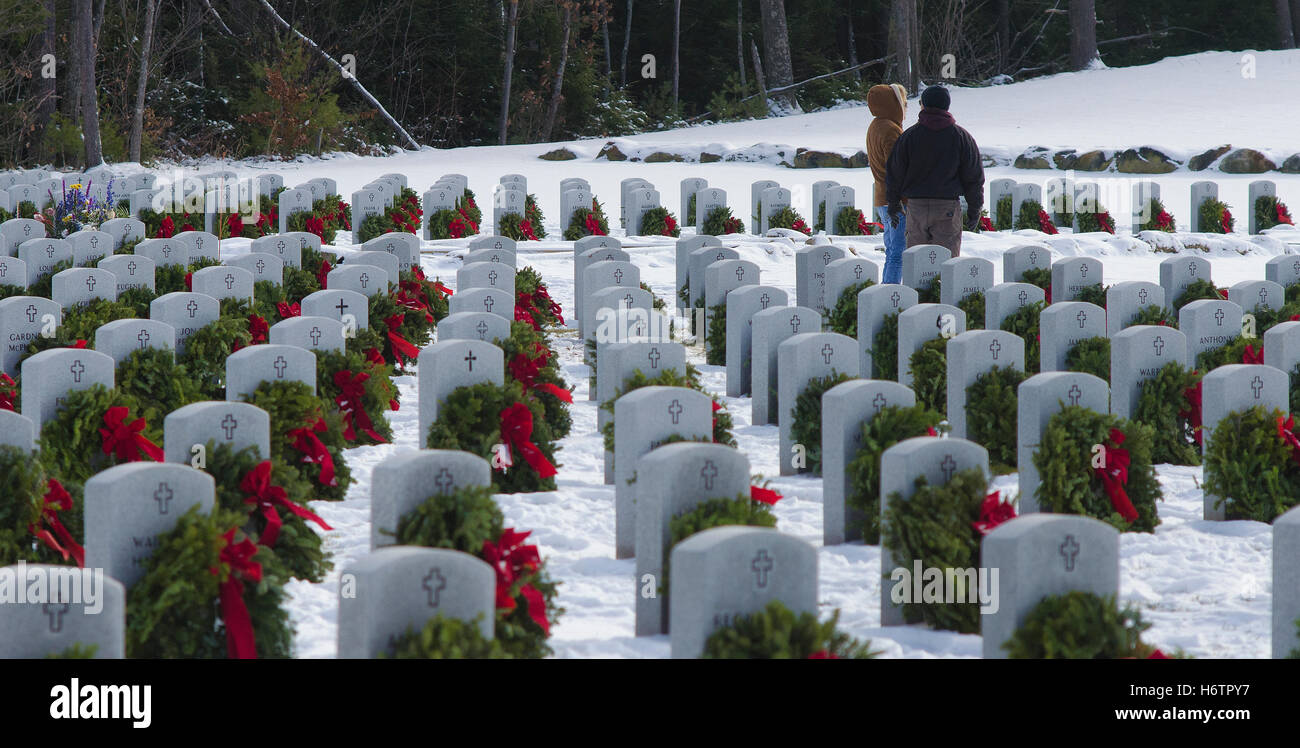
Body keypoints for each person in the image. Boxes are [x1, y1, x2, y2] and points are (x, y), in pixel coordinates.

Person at [885, 84, 984, 257]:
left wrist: (893, 203)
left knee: (917, 263)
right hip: (947, 208)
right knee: (947, 263)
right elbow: (974, 176)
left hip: (916, 207)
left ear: (924, 104)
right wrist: (975, 208)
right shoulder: (961, 137)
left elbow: (895, 172)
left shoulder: (909, 136)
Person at [866, 83, 908, 283]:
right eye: (903, 102)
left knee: (892, 248)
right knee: (898, 252)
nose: (905, 108)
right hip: (894, 199)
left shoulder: (875, 125)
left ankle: (886, 289)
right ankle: (890, 292)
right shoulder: (891, 129)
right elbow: (896, 168)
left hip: (881, 196)